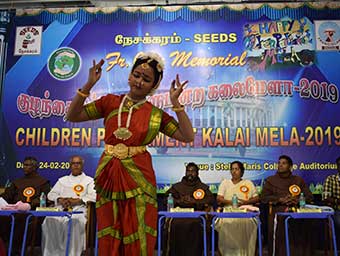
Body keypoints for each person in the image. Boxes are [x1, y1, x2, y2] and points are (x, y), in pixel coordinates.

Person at [66, 52, 195, 255]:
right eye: (136, 75)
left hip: (139, 177)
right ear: (129, 75)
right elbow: (72, 115)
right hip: (109, 173)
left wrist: (175, 103)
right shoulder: (109, 102)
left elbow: (187, 136)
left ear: (153, 87)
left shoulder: (155, 114)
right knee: (110, 227)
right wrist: (89, 84)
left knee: (138, 228)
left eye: (146, 79)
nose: (139, 82)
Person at [41, 155, 96, 256]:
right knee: (49, 219)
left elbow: (94, 196)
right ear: (70, 166)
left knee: (74, 221)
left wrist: (78, 201)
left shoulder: (89, 180)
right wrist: (60, 199)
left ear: (82, 165)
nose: (76, 166)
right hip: (61, 208)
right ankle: (52, 253)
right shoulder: (62, 180)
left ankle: (72, 253)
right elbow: (51, 194)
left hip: (79, 209)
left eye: (78, 163)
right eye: (73, 163)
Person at [260, 155, 314, 256]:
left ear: (290, 166)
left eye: (283, 163)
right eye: (279, 163)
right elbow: (263, 198)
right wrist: (280, 199)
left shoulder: (298, 180)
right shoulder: (271, 180)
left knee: (305, 221)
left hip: (297, 209)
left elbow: (309, 196)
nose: (280, 165)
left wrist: (297, 200)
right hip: (278, 210)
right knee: (280, 220)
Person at [0, 156, 50, 255]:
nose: (24, 167)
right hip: (12, 210)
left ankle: (17, 251)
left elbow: (43, 198)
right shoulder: (17, 182)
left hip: (31, 212)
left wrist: (29, 205)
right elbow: (7, 196)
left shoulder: (43, 182)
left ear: (35, 167)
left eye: (28, 165)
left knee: (22, 219)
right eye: (24, 165)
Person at [163, 162, 214, 256]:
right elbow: (166, 198)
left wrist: (194, 201)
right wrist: (178, 200)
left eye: (193, 171)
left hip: (196, 216)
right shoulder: (177, 186)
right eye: (188, 171)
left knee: (195, 224)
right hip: (178, 215)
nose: (190, 173)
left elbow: (210, 199)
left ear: (197, 173)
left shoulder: (202, 187)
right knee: (174, 224)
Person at [215, 160, 259, 256]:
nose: (234, 171)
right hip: (229, 210)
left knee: (249, 222)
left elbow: (256, 198)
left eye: (237, 169)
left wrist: (245, 202)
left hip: (245, 210)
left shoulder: (248, 183)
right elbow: (219, 198)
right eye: (232, 169)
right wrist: (231, 202)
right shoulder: (225, 183)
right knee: (226, 222)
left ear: (242, 171)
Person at [323, 156, 340, 247]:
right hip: (336, 210)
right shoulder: (330, 179)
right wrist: (337, 200)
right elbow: (326, 197)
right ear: (337, 166)